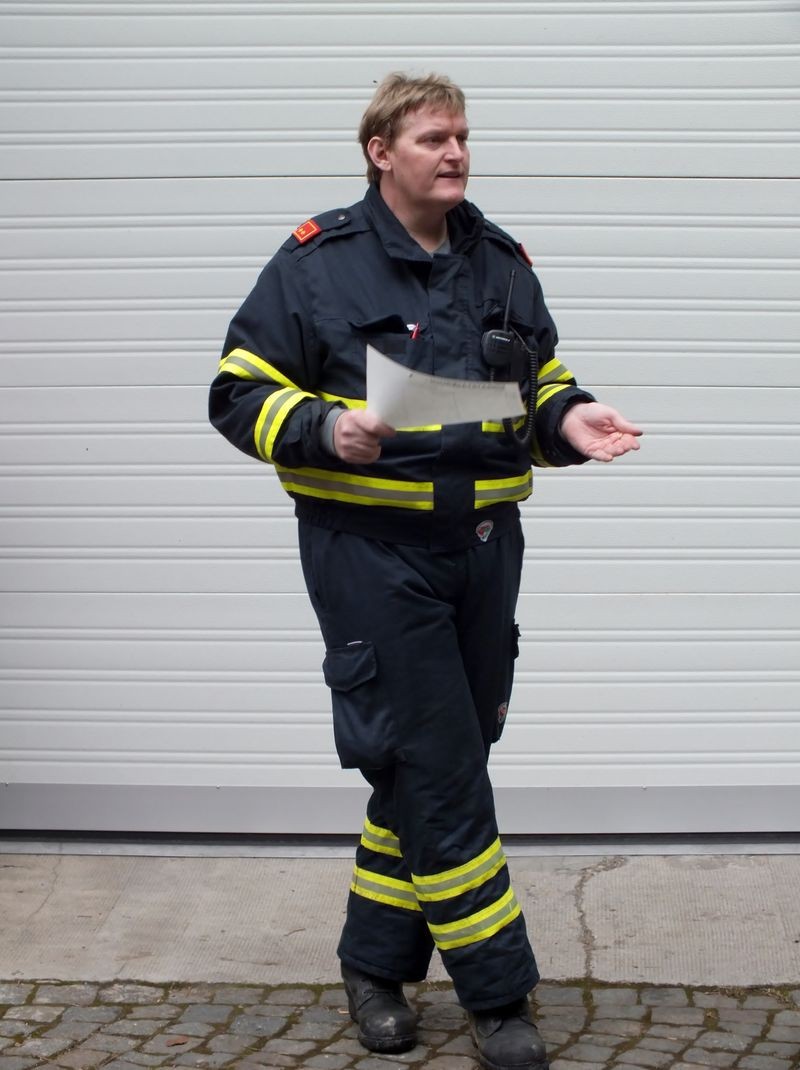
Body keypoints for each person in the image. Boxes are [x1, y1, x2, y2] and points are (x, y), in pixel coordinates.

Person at [209, 71, 641, 1070]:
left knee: (438, 758)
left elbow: (533, 382)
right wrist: (323, 426)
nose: (454, 153)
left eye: (461, 137)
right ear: (380, 152)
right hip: (372, 556)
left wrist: (569, 420)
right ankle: (499, 994)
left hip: (484, 551)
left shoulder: (499, 261)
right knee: (440, 769)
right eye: (433, 138)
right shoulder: (317, 265)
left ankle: (372, 963)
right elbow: (236, 389)